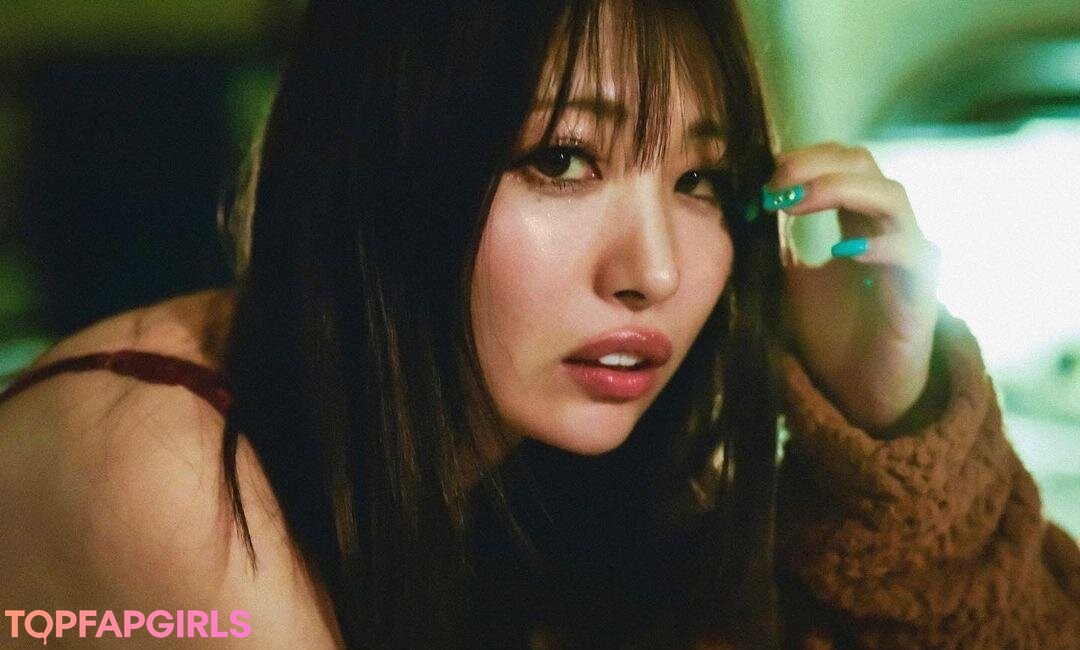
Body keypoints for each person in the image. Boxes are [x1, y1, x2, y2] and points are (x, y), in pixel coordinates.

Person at [0, 1, 1076, 648]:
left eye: (701, 180)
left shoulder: (542, 464)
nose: (654, 271)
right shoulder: (154, 471)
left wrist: (890, 418)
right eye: (562, 159)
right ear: (386, 168)